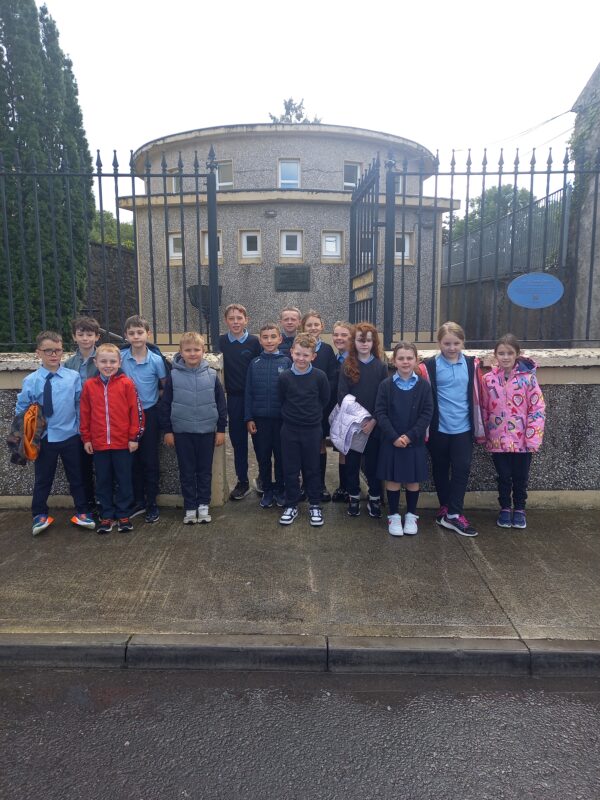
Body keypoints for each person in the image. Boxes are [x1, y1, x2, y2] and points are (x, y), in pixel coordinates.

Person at [16, 331, 95, 535]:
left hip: (70, 436)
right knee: (43, 478)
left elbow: (79, 404)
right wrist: (25, 436)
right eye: (48, 350)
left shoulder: (72, 377)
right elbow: (22, 409)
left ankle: (83, 511)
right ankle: (39, 514)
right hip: (44, 439)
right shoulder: (31, 380)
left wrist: (80, 430)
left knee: (77, 477)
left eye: (58, 350)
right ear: (38, 353)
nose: (53, 354)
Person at [421, 321, 485, 538]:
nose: (451, 347)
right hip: (438, 428)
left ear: (462, 342)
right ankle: (445, 508)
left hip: (463, 428)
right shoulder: (429, 366)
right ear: (439, 343)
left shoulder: (471, 364)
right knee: (440, 468)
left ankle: (455, 513)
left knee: (462, 468)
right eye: (447, 343)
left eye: (456, 343)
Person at [158, 332, 227, 524]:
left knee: (204, 471)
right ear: (181, 352)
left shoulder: (212, 375)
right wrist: (168, 431)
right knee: (187, 471)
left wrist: (221, 429)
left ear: (203, 351)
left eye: (196, 349)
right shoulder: (173, 376)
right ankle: (190, 506)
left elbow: (221, 404)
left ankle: (203, 505)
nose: (192, 353)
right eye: (188, 350)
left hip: (207, 432)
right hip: (182, 432)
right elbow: (166, 404)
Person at [481, 334, 545, 529]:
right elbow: (483, 408)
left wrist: (533, 438)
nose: (506, 357)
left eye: (510, 353)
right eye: (501, 353)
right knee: (503, 476)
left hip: (522, 440)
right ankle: (505, 508)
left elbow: (537, 409)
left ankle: (519, 508)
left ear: (517, 354)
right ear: (495, 355)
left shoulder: (528, 379)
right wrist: (483, 432)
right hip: (498, 439)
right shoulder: (488, 380)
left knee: (520, 477)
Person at [80, 344, 145, 534]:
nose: (108, 365)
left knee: (124, 479)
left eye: (112, 361)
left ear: (119, 362)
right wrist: (86, 438)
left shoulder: (127, 384)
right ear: (96, 362)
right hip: (99, 444)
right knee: (103, 480)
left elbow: (136, 412)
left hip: (122, 443)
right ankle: (106, 515)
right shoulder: (89, 386)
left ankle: (123, 514)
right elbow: (84, 413)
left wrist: (134, 437)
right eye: (103, 361)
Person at [375, 342, 433, 536]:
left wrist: (409, 436)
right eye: (401, 358)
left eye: (409, 358)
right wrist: (393, 436)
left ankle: (411, 515)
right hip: (391, 441)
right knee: (392, 479)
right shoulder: (386, 385)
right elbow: (380, 412)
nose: (405, 362)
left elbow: (427, 413)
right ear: (394, 360)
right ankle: (393, 515)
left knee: (412, 480)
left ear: (416, 360)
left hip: (414, 441)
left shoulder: (423, 386)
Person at [337, 322, 389, 519]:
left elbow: (383, 397)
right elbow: (343, 396)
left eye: (368, 340)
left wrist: (374, 420)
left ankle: (374, 497)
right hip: (354, 426)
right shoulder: (347, 365)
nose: (364, 344)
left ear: (373, 342)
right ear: (354, 342)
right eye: (360, 340)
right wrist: (359, 421)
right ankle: (354, 497)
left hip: (374, 426)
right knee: (352, 464)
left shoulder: (380, 367)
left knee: (373, 464)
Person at [278, 333, 330, 527]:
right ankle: (291, 505)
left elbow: (324, 399)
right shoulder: (284, 377)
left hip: (312, 430)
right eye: (298, 354)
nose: (301, 358)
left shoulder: (320, 376)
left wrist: (311, 415)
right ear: (291, 352)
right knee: (290, 469)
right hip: (290, 429)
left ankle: (314, 504)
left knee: (312, 468)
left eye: (306, 355)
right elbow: (281, 399)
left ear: (313, 356)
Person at [120, 314, 168, 524]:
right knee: (131, 460)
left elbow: (165, 386)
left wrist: (156, 401)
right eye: (131, 333)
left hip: (149, 414)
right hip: (125, 416)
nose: (136, 336)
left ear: (148, 334)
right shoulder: (120, 357)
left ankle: (151, 503)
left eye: (140, 332)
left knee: (150, 460)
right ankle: (137, 501)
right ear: (126, 335)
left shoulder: (156, 360)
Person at [244, 323, 291, 510]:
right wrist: (249, 418)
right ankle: (267, 490)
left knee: (281, 457)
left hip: (281, 421)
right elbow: (248, 393)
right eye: (265, 337)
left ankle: (280, 489)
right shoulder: (254, 364)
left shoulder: (287, 362)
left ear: (280, 339)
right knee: (263, 457)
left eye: (273, 337)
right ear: (260, 340)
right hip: (260, 421)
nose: (269, 340)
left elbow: (291, 393)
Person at [218, 303, 261, 500]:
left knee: (260, 441)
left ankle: (263, 478)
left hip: (255, 398)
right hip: (234, 398)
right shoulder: (220, 342)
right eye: (231, 318)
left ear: (246, 320)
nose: (235, 322)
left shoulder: (254, 342)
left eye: (239, 318)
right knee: (238, 442)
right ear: (226, 321)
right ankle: (242, 481)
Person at [64, 315, 100, 515]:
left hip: (101, 421)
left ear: (97, 337)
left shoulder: (103, 359)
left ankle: (104, 502)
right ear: (74, 337)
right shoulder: (69, 364)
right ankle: (87, 503)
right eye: (81, 334)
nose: (85, 338)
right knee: (81, 467)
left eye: (89, 334)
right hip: (78, 423)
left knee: (103, 466)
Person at [300, 310, 337, 501]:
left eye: (316, 324)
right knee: (302, 446)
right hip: (300, 407)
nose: (313, 328)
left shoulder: (327, 350)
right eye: (309, 325)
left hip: (320, 407)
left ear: (322, 327)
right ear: (303, 327)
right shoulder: (299, 347)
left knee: (320, 444)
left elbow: (332, 379)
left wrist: (320, 399)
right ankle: (304, 484)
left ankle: (319, 484)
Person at [330, 321, 353, 502]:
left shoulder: (353, 360)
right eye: (336, 335)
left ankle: (349, 487)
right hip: (336, 408)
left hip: (351, 411)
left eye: (344, 335)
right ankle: (343, 486)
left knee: (350, 450)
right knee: (342, 448)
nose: (339, 338)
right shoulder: (335, 358)